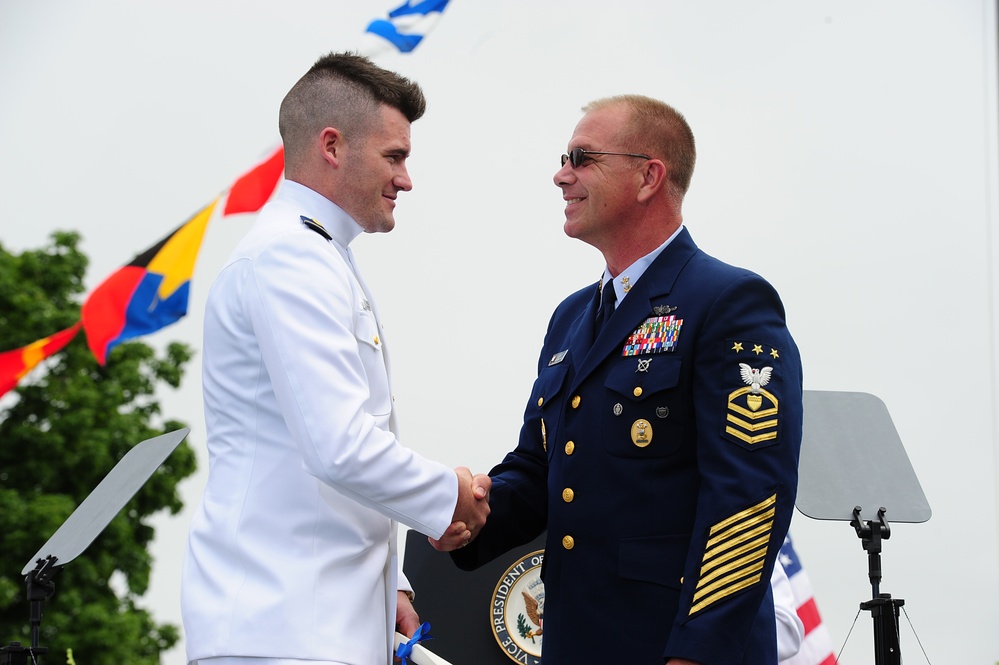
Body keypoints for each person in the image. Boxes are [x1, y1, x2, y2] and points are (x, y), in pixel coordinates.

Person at [442, 95, 803, 664]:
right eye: (565, 157)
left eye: (582, 158)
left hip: (674, 647)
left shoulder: (728, 302)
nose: (561, 175)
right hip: (577, 643)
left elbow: (749, 500)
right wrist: (464, 515)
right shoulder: (571, 317)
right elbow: (539, 469)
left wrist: (697, 654)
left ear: (648, 176)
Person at [180, 51, 489, 665]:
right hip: (282, 629)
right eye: (394, 156)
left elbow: (319, 454)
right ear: (331, 146)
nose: (405, 179)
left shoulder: (315, 255)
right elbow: (339, 444)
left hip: (311, 624)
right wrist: (447, 492)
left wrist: (389, 585)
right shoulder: (290, 259)